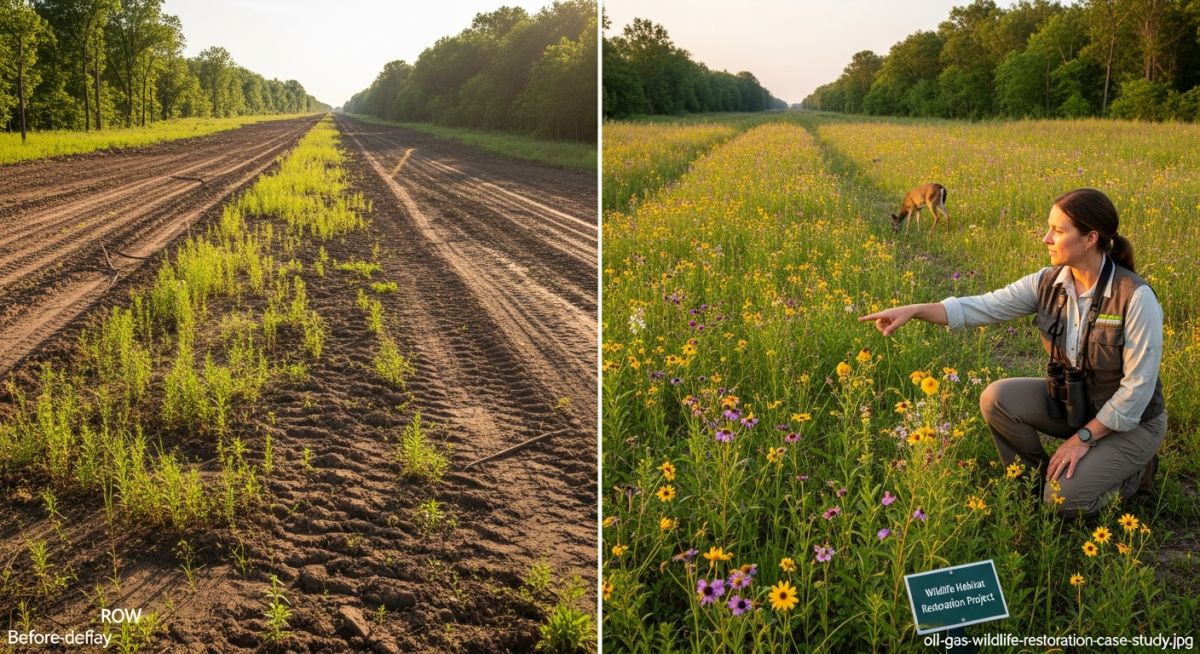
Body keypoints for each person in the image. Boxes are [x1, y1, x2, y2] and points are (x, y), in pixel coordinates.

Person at [858, 188, 1165, 516]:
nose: (1046, 238)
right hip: (1076, 406)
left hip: (1131, 424)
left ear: (1090, 239)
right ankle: (1035, 483)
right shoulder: (1047, 283)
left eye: (1058, 231)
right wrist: (916, 309)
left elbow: (1136, 392)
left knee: (1064, 501)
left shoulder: (1134, 297)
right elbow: (982, 306)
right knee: (997, 398)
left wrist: (1084, 438)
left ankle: (1134, 474)